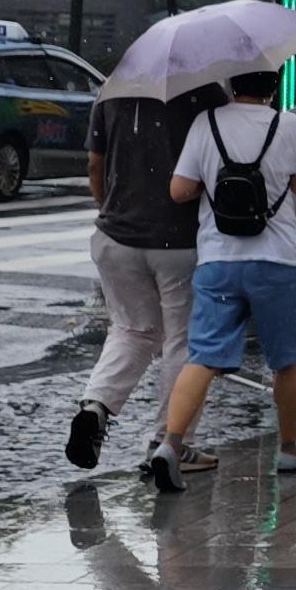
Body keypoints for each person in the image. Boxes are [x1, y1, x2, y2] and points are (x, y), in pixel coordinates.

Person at [143, 90, 296, 491]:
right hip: (278, 260)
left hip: (218, 260)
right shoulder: (288, 123)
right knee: (287, 362)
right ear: (272, 85)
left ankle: (170, 444)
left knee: (203, 357)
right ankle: (289, 449)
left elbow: (179, 189)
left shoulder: (205, 123)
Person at [68, 79, 224, 474]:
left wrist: (109, 208)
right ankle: (171, 442)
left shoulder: (112, 90)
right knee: (182, 341)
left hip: (116, 236)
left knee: (132, 330)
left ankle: (95, 406)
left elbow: (94, 163)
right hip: (177, 240)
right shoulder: (204, 93)